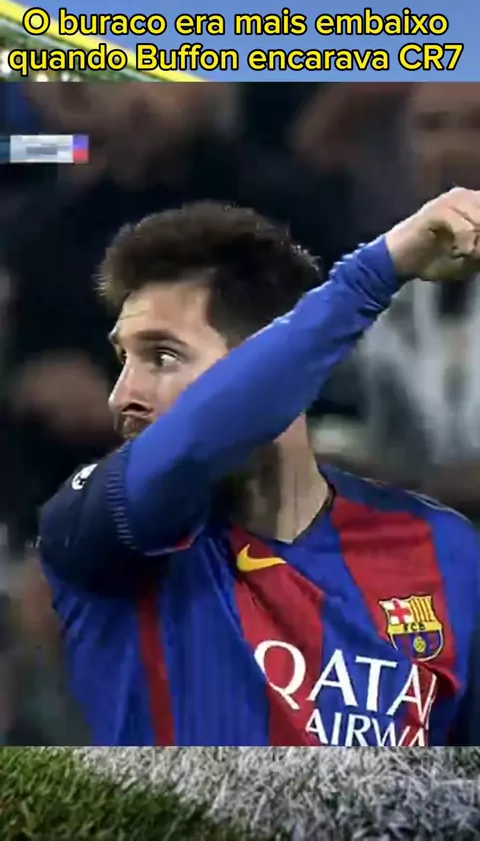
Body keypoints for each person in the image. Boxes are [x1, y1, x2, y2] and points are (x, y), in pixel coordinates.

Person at [38, 189, 480, 747]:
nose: (122, 395)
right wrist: (376, 273)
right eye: (123, 359)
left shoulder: (444, 552)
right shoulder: (94, 530)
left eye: (162, 356)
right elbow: (192, 445)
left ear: (275, 366)